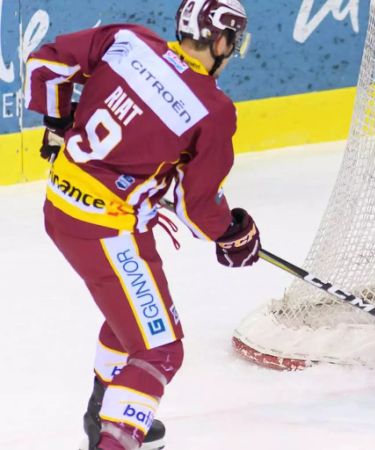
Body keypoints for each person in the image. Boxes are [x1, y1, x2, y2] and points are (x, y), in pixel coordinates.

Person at [25, 1, 258, 448]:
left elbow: (46, 63)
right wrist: (233, 233)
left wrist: (58, 123)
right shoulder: (213, 109)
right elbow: (197, 208)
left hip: (60, 207)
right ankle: (113, 440)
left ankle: (101, 419)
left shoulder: (128, 41)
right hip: (106, 231)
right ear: (223, 39)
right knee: (160, 350)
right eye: (235, 40)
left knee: (128, 321)